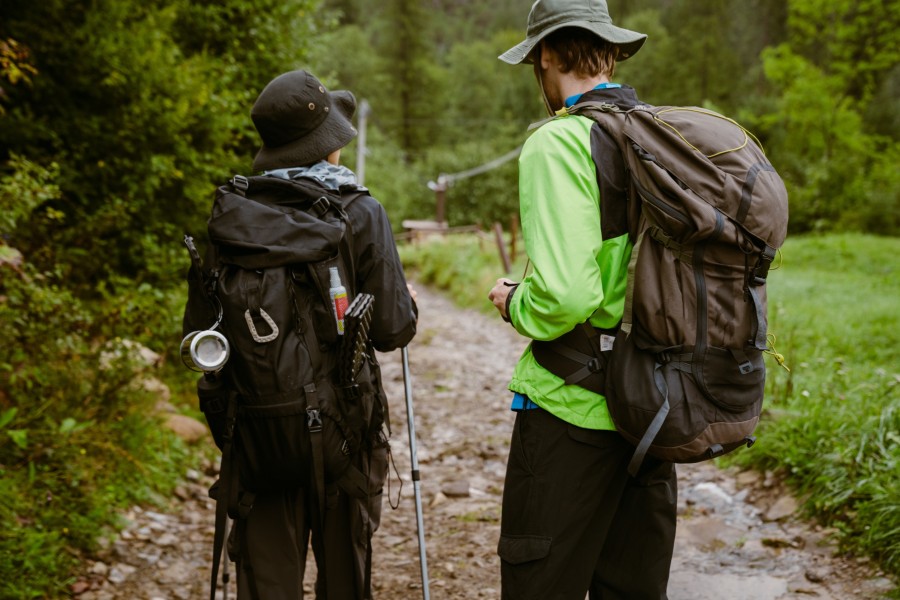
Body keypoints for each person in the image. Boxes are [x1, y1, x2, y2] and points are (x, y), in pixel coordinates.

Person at [487, 1, 677, 599]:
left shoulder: (560, 142)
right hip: (654, 411)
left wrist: (515, 302)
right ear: (612, 51)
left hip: (573, 412)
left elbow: (567, 295)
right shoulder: (662, 134)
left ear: (545, 54)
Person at [227, 69, 417, 599]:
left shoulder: (234, 215)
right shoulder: (360, 211)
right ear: (324, 146)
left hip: (259, 437)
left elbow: (205, 338)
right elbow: (393, 331)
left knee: (267, 585)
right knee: (344, 579)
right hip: (345, 432)